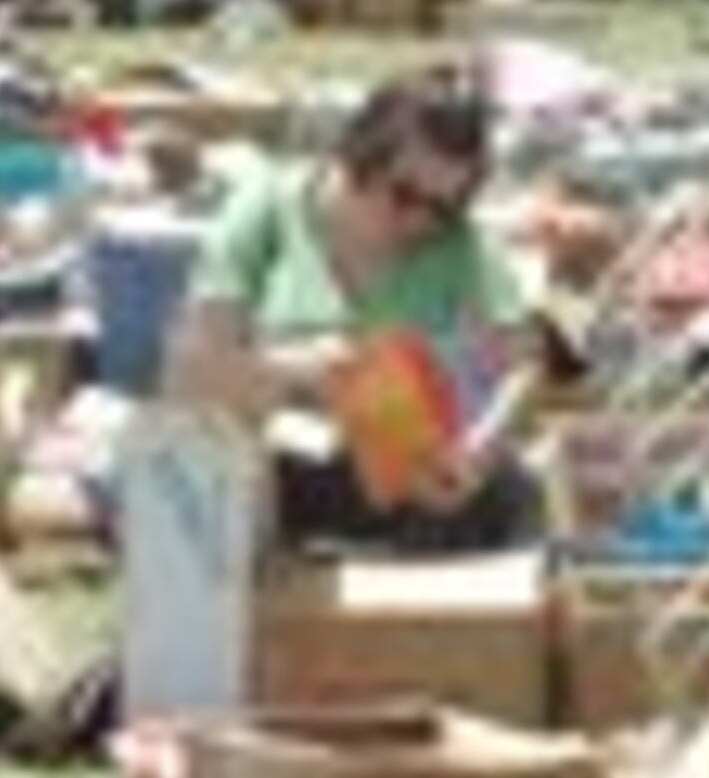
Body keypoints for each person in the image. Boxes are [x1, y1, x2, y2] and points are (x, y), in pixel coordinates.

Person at [166, 61, 542, 550]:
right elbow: (191, 370)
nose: (420, 221)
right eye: (404, 195)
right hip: (278, 462)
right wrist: (298, 370)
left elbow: (523, 365)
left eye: (444, 207)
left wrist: (477, 451)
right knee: (212, 439)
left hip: (406, 479)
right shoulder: (268, 210)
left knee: (511, 491)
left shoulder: (457, 242)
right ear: (358, 157)